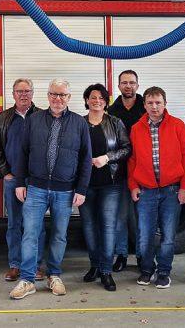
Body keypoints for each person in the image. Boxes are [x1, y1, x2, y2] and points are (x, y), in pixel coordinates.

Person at [9, 79, 92, 300]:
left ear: (69, 98)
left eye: (62, 95)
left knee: (59, 235)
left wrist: (81, 189)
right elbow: (22, 153)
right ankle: (27, 279)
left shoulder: (79, 123)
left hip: (65, 191)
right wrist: (19, 182)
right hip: (35, 188)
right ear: (47, 96)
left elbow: (86, 159)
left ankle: (54, 274)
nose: (57, 99)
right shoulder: (34, 120)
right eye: (54, 94)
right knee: (30, 234)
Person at [129, 86, 185, 289]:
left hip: (171, 190)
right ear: (144, 105)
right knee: (145, 236)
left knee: (167, 236)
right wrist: (133, 185)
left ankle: (164, 272)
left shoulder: (177, 126)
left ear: (165, 104)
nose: (154, 107)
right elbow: (132, 160)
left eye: (158, 103)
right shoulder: (136, 128)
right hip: (146, 190)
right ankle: (147, 270)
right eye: (150, 103)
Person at [0, 78, 47, 282]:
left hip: (36, 181)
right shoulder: (4, 117)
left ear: (33, 93)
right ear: (12, 94)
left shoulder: (43, 116)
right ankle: (15, 265)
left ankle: (36, 265)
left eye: (27, 91)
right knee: (14, 224)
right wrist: (6, 172)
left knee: (36, 225)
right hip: (12, 180)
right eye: (19, 91)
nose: (23, 94)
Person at [80, 83, 131, 291]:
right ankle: (94, 266)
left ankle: (106, 272)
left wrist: (107, 158)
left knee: (108, 227)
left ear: (106, 101)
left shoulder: (115, 122)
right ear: (86, 100)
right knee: (89, 227)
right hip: (85, 184)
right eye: (93, 97)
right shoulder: (79, 123)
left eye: (101, 97)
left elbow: (126, 148)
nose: (97, 101)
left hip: (110, 184)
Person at [107, 69, 145, 272]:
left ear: (137, 86)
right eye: (124, 82)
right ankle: (121, 255)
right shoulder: (112, 112)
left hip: (144, 172)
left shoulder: (146, 108)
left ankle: (142, 255)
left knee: (142, 216)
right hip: (120, 172)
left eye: (132, 82)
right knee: (120, 217)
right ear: (119, 86)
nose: (128, 86)